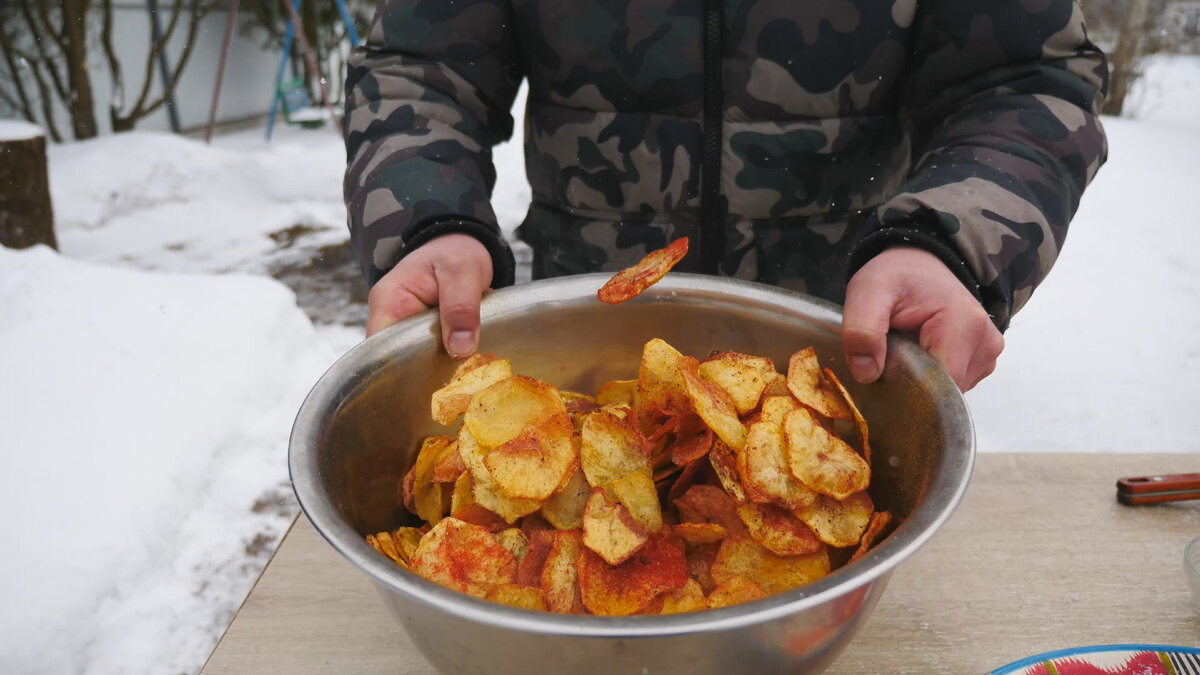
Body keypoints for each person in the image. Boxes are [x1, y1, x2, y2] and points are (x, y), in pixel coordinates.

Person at [342, 0, 1107, 392]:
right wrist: (427, 221)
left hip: (847, 366)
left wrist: (950, 242)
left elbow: (1026, 81)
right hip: (579, 363)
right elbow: (420, 67)